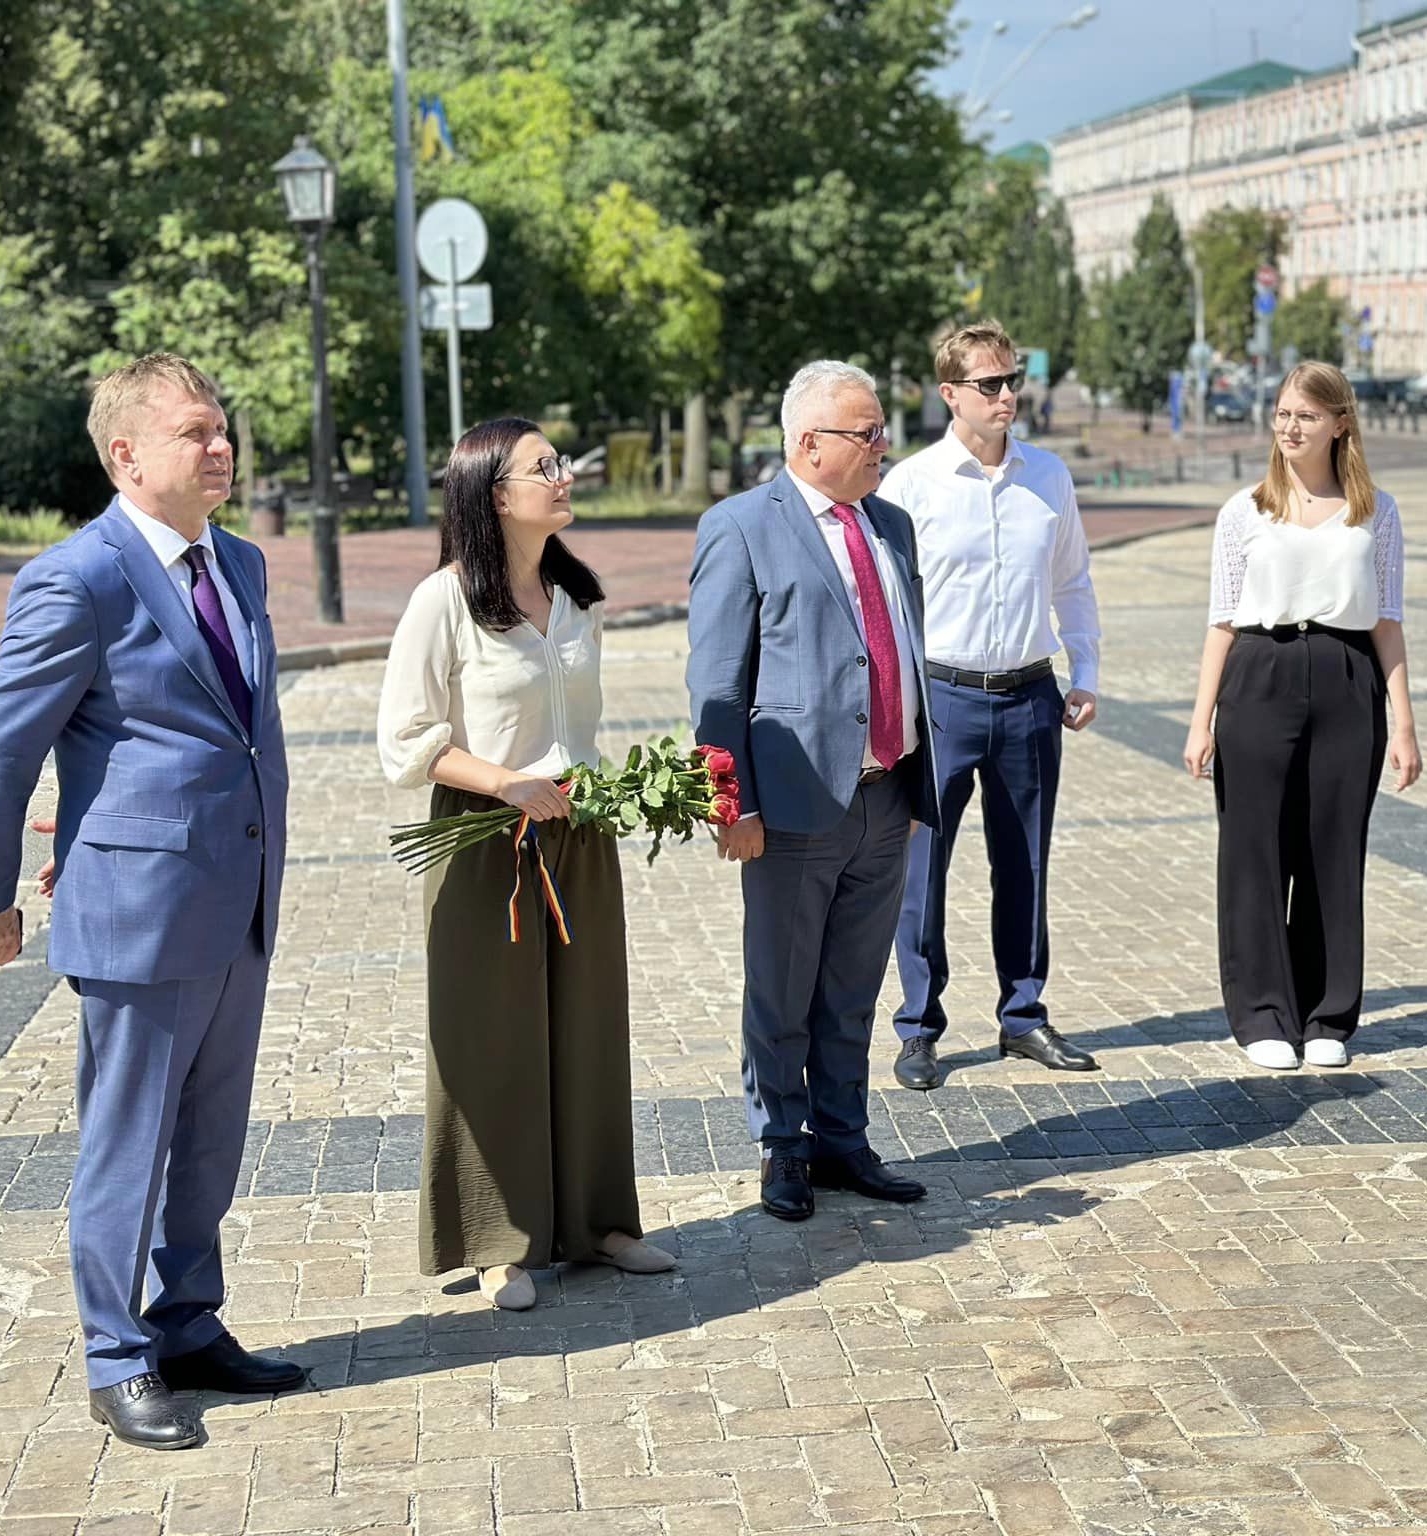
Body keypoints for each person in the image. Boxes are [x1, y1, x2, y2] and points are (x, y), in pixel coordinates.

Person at [0, 354, 303, 1452]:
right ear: (126, 455)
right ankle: (116, 1355)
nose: (219, 447)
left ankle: (189, 1324)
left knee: (207, 1140)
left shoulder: (235, 561)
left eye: (222, 429)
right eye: (195, 431)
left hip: (236, 896)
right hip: (140, 912)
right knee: (128, 1143)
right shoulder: (78, 577)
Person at [377, 419, 672, 1312]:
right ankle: (502, 1240)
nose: (563, 474)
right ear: (493, 494)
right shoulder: (443, 601)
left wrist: (609, 788)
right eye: (543, 466)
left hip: (580, 834)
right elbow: (406, 741)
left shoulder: (574, 596)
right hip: (483, 841)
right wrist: (505, 782)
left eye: (561, 462)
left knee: (589, 1028)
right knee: (491, 1037)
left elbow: (575, 728)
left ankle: (598, 1224)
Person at [687, 360, 940, 1223]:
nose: (883, 445)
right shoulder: (742, 526)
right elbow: (717, 681)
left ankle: (842, 1136)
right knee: (782, 986)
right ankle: (782, 1144)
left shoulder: (892, 526)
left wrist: (912, 789)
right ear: (809, 444)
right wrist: (733, 804)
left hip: (886, 793)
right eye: (866, 432)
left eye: (880, 429)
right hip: (792, 805)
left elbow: (898, 650)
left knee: (852, 985)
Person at [880, 321, 1102, 1091]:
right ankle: (918, 1026)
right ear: (949, 393)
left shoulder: (1048, 477)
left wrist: (1086, 670)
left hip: (1030, 696)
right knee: (923, 870)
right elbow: (884, 599)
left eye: (1013, 381)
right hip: (940, 699)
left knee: (1027, 863)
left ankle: (1024, 1016)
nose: (1007, 395)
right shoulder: (909, 485)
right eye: (990, 384)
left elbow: (1072, 580)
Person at [1182, 362, 1421, 1071]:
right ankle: (1261, 1012)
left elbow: (1387, 622)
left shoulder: (1376, 511)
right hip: (1259, 675)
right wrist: (1201, 724)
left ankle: (1326, 1014)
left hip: (1349, 681)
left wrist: (1403, 722)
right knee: (1254, 849)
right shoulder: (1244, 511)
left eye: (1306, 415)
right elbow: (1221, 622)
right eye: (1283, 412)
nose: (1290, 426)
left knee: (1332, 850)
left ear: (1340, 423)